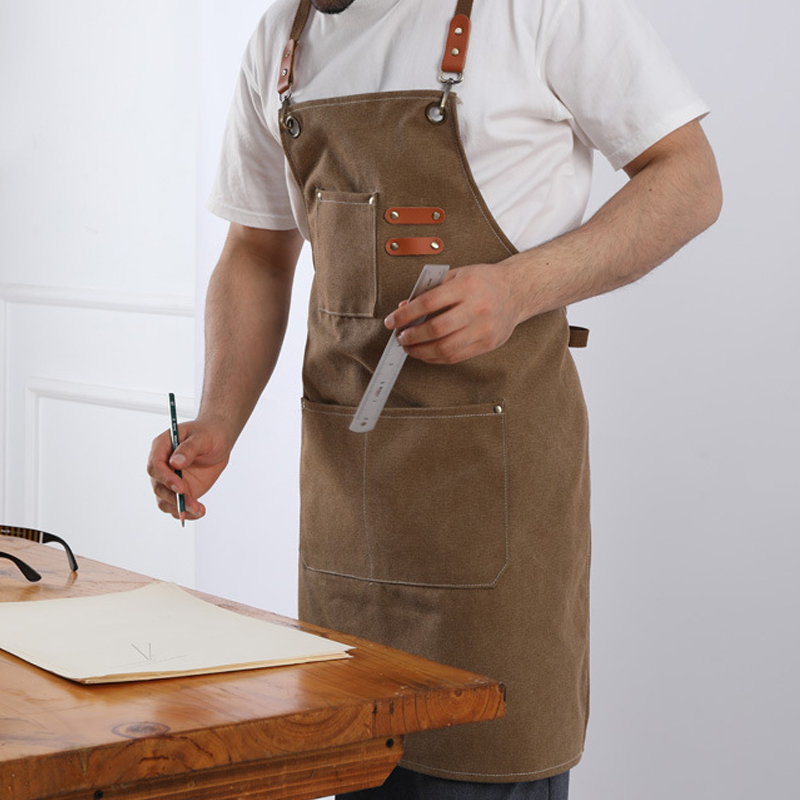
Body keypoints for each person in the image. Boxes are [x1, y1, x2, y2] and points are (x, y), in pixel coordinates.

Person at [148, 0, 721, 797]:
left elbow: (690, 180)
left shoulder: (537, 10)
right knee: (353, 761)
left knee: (484, 769)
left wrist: (518, 290)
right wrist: (217, 418)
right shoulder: (283, 38)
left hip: (500, 516)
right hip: (348, 523)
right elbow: (256, 248)